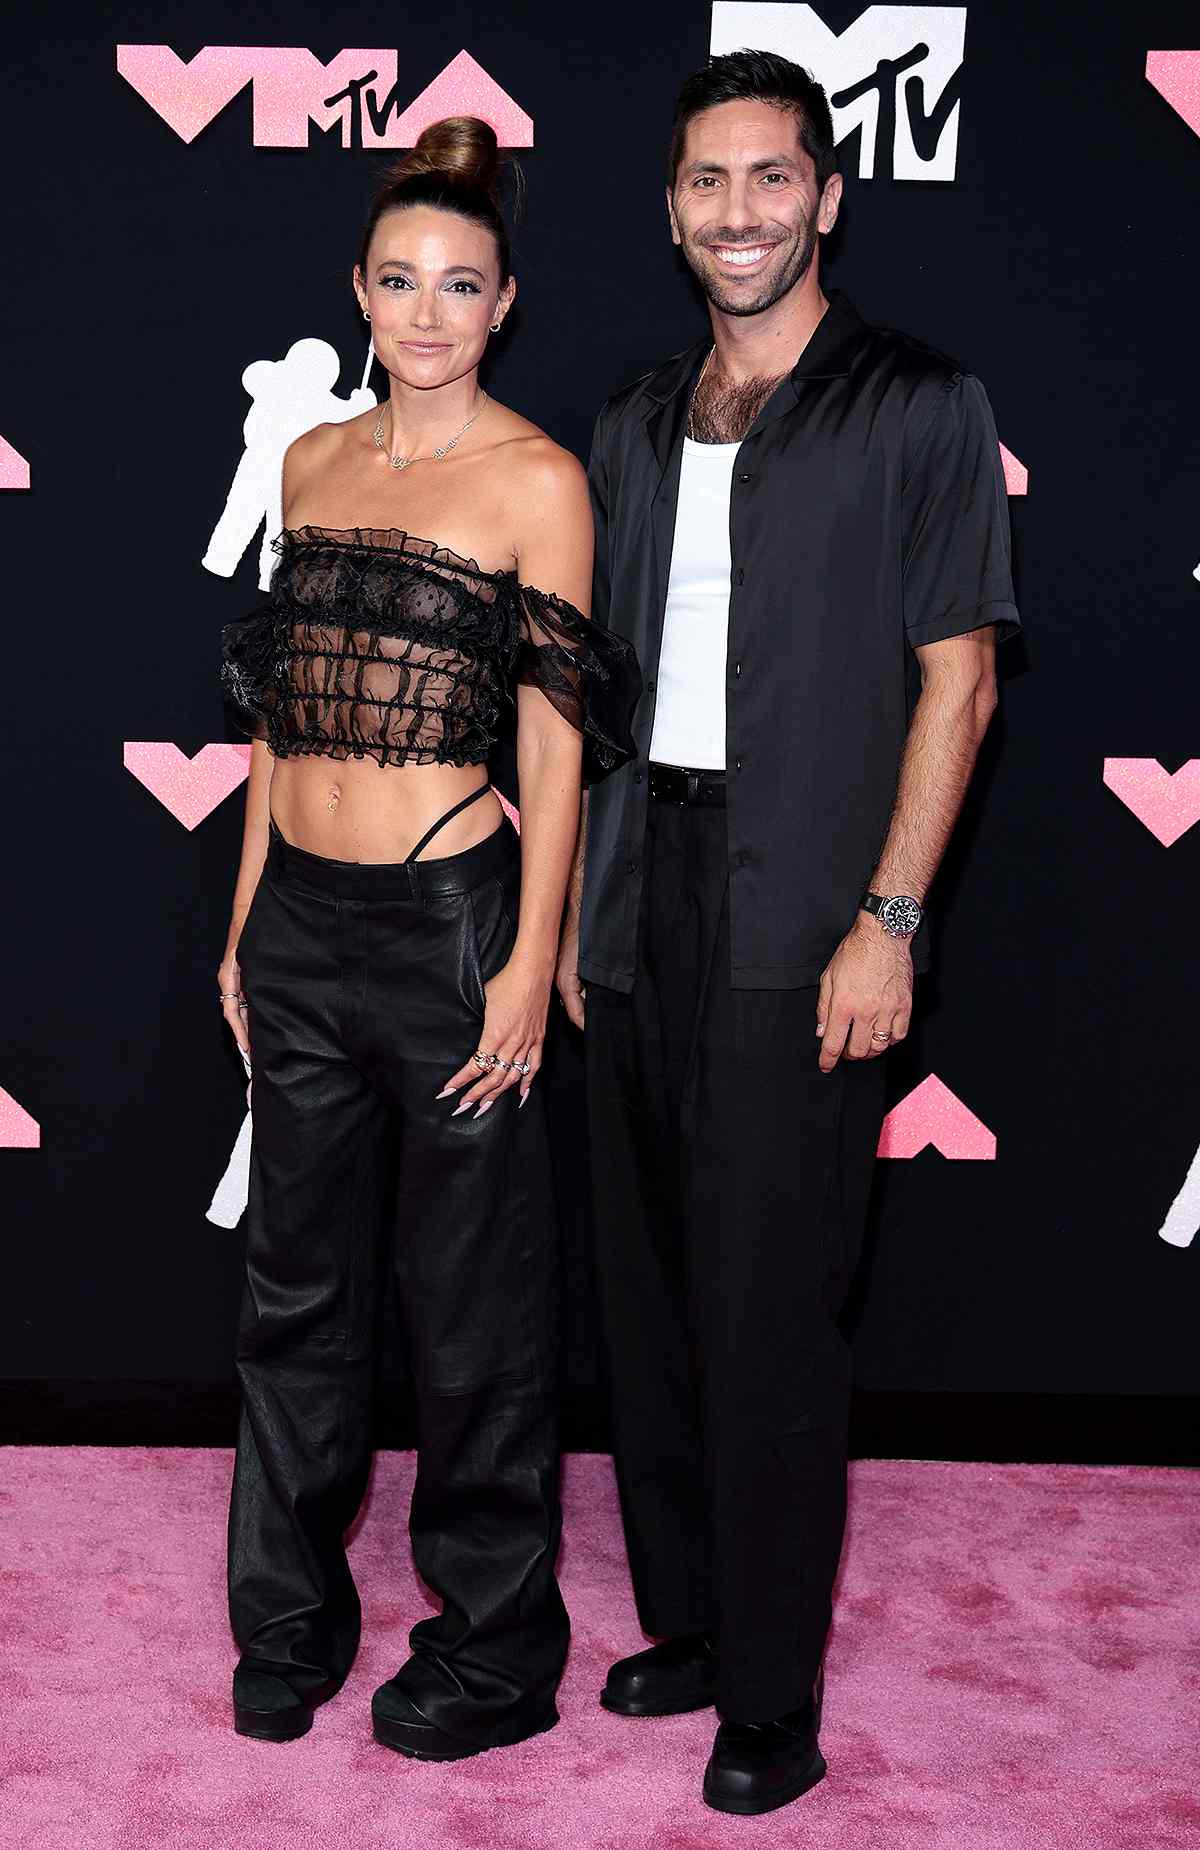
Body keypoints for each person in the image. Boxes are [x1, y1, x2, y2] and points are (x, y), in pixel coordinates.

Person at [557, 50, 1020, 1817]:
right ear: (672, 205)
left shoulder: (921, 403)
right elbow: (590, 686)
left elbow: (959, 681)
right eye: (704, 182)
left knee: (768, 1309)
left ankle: (775, 1684)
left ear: (829, 196)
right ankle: (692, 1618)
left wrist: (889, 917)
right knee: (653, 1286)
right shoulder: (633, 412)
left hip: (808, 903)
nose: (736, 213)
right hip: (636, 888)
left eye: (770, 179)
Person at [216, 116, 640, 1760]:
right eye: (400, 280)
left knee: (473, 1319)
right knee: (295, 1300)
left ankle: (495, 1647)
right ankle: (289, 1619)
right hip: (305, 928)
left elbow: (555, 747)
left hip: (457, 923)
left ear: (506, 300)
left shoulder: (539, 480)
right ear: (360, 292)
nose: (429, 310)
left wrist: (533, 960)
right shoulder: (313, 464)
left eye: (461, 283)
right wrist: (249, 910)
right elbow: (278, 716)